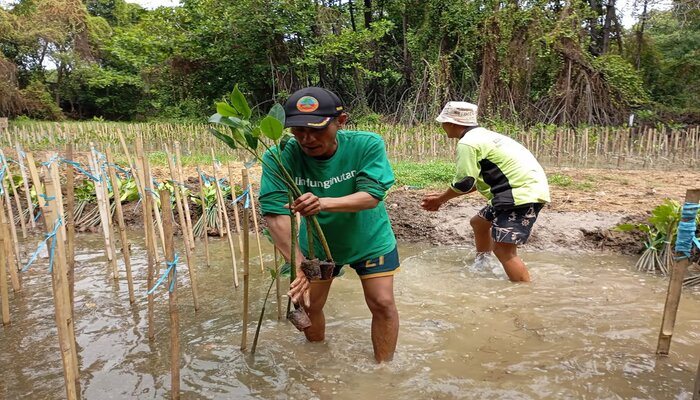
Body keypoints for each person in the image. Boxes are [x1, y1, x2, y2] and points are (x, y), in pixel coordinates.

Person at [258, 87, 400, 362]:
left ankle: (384, 372)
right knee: (309, 306)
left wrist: (323, 203)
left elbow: (371, 196)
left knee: (382, 304)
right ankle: (318, 360)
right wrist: (298, 264)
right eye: (297, 131)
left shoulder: (366, 144)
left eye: (317, 130)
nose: (307, 139)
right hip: (316, 245)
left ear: (341, 121)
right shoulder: (278, 156)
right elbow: (276, 214)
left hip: (369, 240)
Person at [421, 101, 550, 282]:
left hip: (518, 194)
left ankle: (522, 293)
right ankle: (483, 262)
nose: (442, 126)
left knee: (504, 250)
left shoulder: (468, 143)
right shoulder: (484, 136)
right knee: (479, 223)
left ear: (452, 123)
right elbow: (474, 182)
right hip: (516, 190)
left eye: (443, 122)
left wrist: (440, 200)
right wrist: (443, 197)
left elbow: (464, 183)